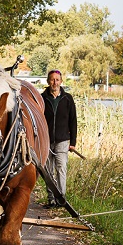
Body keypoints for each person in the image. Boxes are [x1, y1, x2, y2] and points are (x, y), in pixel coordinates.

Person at [41, 69, 77, 207]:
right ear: (48, 81)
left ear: (61, 81)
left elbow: (73, 121)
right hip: (46, 140)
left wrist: (72, 142)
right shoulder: (42, 98)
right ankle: (51, 198)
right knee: (48, 170)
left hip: (63, 140)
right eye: (52, 79)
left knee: (61, 168)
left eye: (57, 79)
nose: (54, 82)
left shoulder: (67, 98)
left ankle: (61, 199)